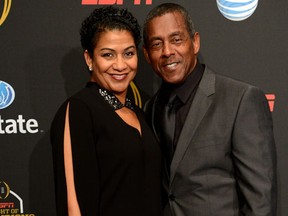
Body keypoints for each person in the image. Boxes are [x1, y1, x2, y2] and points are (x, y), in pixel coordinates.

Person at [143, 3, 277, 216]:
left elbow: (260, 201)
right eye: (157, 44)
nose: (167, 51)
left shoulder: (240, 99)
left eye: (176, 39)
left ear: (195, 42)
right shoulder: (151, 109)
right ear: (147, 54)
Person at [50, 6, 162, 216]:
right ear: (89, 59)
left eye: (128, 53)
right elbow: (73, 204)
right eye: (108, 55)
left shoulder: (140, 112)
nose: (120, 65)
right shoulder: (78, 110)